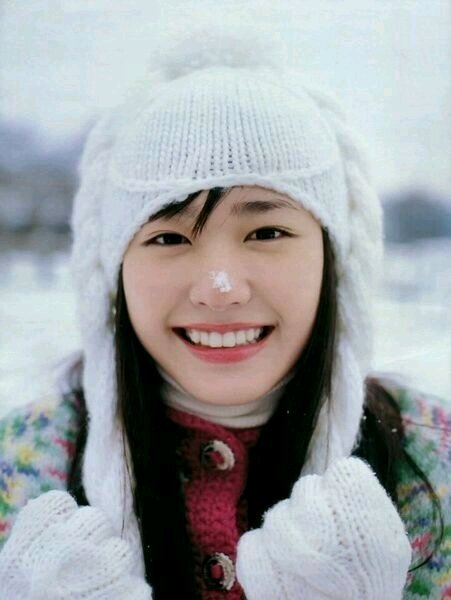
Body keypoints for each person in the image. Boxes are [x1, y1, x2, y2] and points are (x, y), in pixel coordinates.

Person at [0, 23, 449, 600]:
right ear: (114, 272)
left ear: (334, 260)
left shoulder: (437, 461)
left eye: (266, 232)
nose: (220, 289)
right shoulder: (17, 467)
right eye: (167, 238)